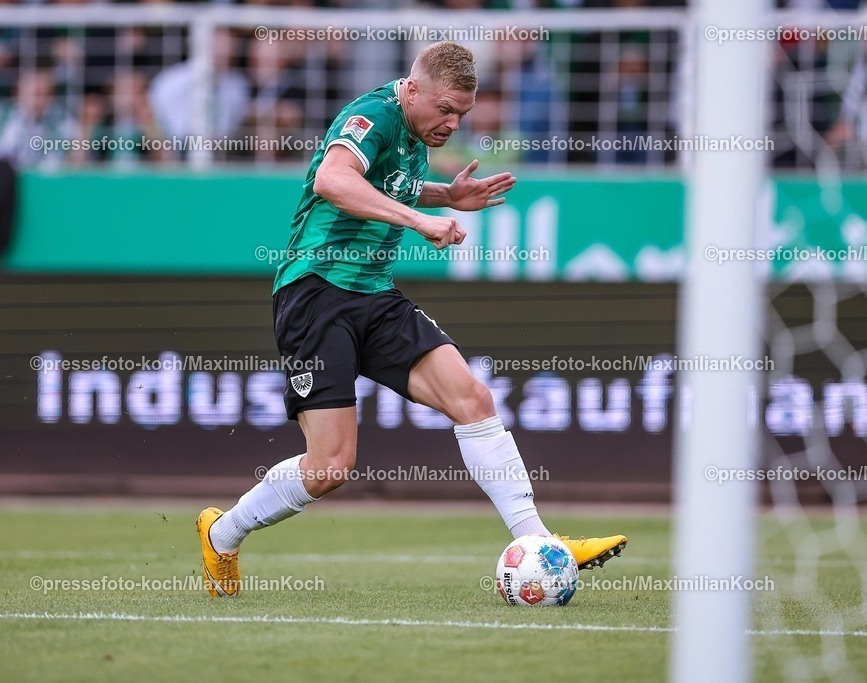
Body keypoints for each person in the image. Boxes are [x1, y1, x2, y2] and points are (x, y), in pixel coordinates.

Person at [197, 41, 627, 597]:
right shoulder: (373, 114)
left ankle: (541, 540)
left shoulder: (414, 131)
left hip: (374, 294)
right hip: (316, 292)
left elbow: (385, 180)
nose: (452, 123)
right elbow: (334, 180)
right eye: (445, 109)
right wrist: (421, 221)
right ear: (412, 87)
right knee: (330, 467)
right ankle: (223, 532)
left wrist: (445, 193)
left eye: (462, 115)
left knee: (473, 398)